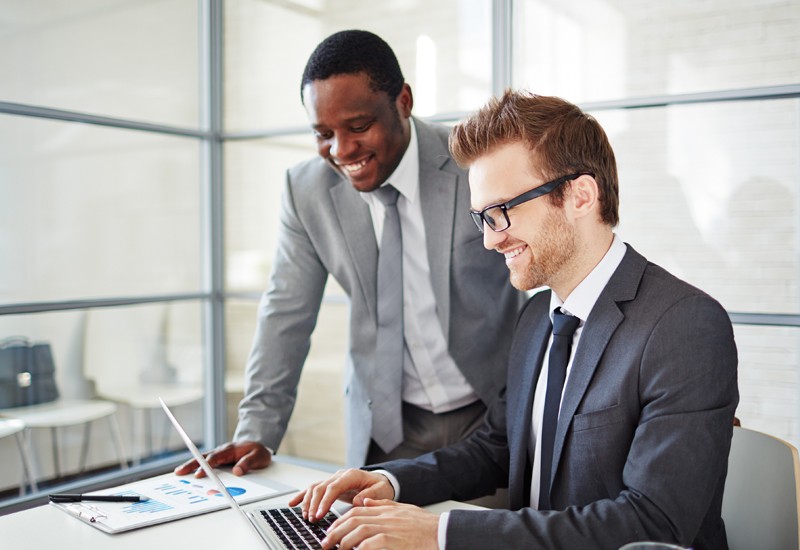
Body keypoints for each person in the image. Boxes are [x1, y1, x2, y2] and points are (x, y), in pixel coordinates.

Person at [291, 90, 739, 550]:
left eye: (501, 212)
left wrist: (439, 533)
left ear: (580, 196)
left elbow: (651, 522)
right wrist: (389, 481)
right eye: (481, 218)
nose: (489, 240)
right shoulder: (537, 319)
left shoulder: (684, 326)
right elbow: (498, 445)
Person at [176, 30, 524, 477]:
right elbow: (286, 312)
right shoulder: (306, 191)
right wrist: (256, 430)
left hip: (494, 414)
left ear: (403, 101)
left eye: (358, 127)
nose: (341, 151)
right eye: (323, 134)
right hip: (390, 427)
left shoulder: (472, 162)